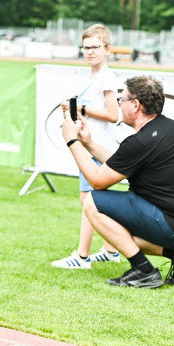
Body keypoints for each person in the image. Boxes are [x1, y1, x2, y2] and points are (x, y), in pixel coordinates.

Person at [61, 75, 174, 288]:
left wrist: (71, 140)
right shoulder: (168, 128)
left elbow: (97, 181)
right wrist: (88, 143)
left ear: (135, 105)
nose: (119, 105)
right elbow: (119, 164)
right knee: (119, 230)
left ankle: (143, 270)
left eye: (121, 100)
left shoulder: (140, 142)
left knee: (92, 202)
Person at [51, 24, 124, 270]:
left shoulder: (106, 77)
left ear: (107, 49)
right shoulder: (94, 76)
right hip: (90, 145)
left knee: (88, 201)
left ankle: (82, 257)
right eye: (86, 48)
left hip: (97, 148)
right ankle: (111, 250)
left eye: (95, 47)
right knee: (94, 200)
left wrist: (80, 109)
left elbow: (113, 114)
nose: (90, 52)